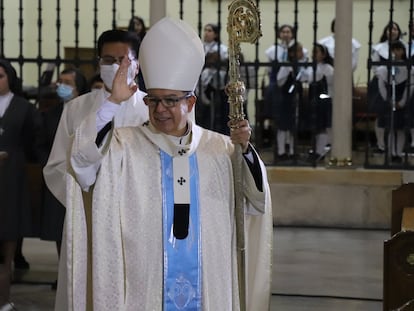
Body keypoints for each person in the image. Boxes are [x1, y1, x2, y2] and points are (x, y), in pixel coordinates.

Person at [56, 17, 272, 311]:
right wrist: (114, 103)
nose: (160, 110)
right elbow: (81, 163)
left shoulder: (220, 149)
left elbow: (255, 201)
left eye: (170, 100)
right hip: (144, 284)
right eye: (153, 101)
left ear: (191, 103)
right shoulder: (123, 146)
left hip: (208, 282)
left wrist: (245, 150)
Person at [43, 29, 148, 208]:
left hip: (137, 209)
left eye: (123, 60)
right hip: (88, 208)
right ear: (100, 64)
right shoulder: (75, 108)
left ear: (136, 65)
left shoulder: (150, 109)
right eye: (108, 60)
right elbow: (57, 166)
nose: (116, 66)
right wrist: (89, 196)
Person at [38, 68, 88, 290]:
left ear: (78, 86)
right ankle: (63, 271)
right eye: (60, 81)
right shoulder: (51, 112)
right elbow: (40, 142)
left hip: (84, 178)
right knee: (60, 229)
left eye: (67, 82)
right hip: (60, 175)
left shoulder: (88, 109)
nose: (61, 86)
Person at [0, 58, 42, 310]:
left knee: (8, 223)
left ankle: (8, 273)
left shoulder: (23, 107)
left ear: (10, 78)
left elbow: (33, 140)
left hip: (11, 172)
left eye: (1, 75)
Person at [264, 24, 308, 156]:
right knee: (281, 120)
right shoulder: (273, 50)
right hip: (280, 90)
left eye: (288, 32)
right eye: (283, 32)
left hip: (295, 90)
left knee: (294, 119)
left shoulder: (302, 51)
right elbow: (271, 72)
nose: (286, 34)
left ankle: (293, 149)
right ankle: (281, 150)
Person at [370, 40, 413, 163]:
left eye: (399, 49)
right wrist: (388, 100)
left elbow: (410, 86)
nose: (396, 52)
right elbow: (381, 86)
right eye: (393, 50)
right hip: (389, 100)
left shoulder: (408, 68)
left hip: (403, 99)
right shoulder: (384, 69)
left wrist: (402, 102)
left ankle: (398, 153)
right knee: (390, 127)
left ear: (403, 51)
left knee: (400, 128)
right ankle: (391, 152)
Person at [369, 21, 406, 154]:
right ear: (385, 32)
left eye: (395, 29)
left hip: (402, 85)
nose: (392, 31)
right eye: (389, 29)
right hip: (382, 83)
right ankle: (381, 145)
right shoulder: (379, 48)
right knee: (381, 116)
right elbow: (374, 66)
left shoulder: (405, 46)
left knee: (401, 117)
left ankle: (400, 148)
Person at [274, 42, 307, 162]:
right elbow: (279, 81)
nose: (301, 53)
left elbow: (304, 78)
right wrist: (289, 74)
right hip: (286, 99)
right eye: (299, 51)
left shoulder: (299, 66)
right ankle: (281, 151)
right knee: (283, 125)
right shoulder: (286, 66)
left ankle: (293, 151)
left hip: (295, 98)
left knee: (293, 125)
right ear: (292, 53)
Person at [301, 43, 335, 162]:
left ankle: (320, 152)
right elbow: (303, 78)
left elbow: (329, 84)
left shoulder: (328, 68)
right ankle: (315, 150)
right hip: (313, 100)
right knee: (315, 127)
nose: (313, 54)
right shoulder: (311, 67)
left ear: (324, 54)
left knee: (321, 126)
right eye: (313, 52)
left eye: (317, 52)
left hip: (324, 100)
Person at [197, 23, 229, 134]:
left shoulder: (222, 49)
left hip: (216, 84)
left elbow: (225, 65)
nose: (206, 33)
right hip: (200, 82)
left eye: (209, 30)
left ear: (215, 34)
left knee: (216, 113)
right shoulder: (199, 46)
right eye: (205, 30)